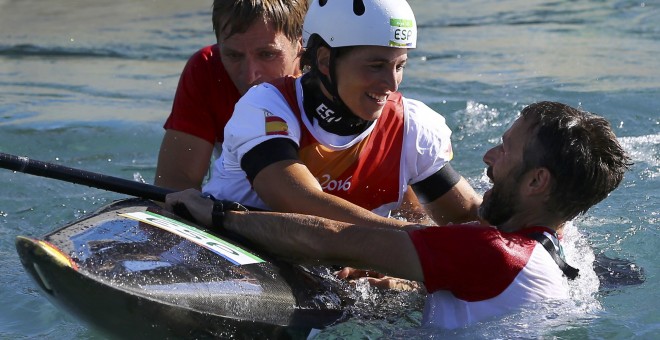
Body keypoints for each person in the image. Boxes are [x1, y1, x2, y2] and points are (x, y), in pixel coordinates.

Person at [166, 101, 633, 329]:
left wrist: (220, 217)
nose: (489, 156)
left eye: (506, 150)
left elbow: (332, 237)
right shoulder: (564, 256)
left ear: (537, 182)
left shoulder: (492, 252)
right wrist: (404, 284)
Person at [197, 0, 482, 228]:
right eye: (375, 65)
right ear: (324, 60)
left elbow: (468, 218)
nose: (392, 83)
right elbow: (300, 202)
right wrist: (411, 241)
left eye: (399, 65)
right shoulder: (265, 106)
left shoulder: (414, 127)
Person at [154, 0, 308, 191]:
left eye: (267, 54)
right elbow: (174, 187)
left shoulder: (332, 80)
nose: (250, 76)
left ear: (301, 44)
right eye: (234, 55)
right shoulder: (208, 69)